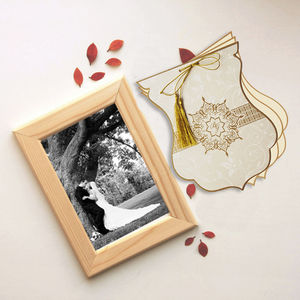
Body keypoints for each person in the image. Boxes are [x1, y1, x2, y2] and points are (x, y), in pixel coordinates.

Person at [85, 181, 161, 231]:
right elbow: (102, 197)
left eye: (87, 186)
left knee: (107, 213)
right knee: (109, 212)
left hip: (100, 203)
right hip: (102, 203)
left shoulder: (92, 191)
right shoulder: (97, 191)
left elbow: (95, 198)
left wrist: (88, 197)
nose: (86, 187)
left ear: (90, 187)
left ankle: (110, 222)